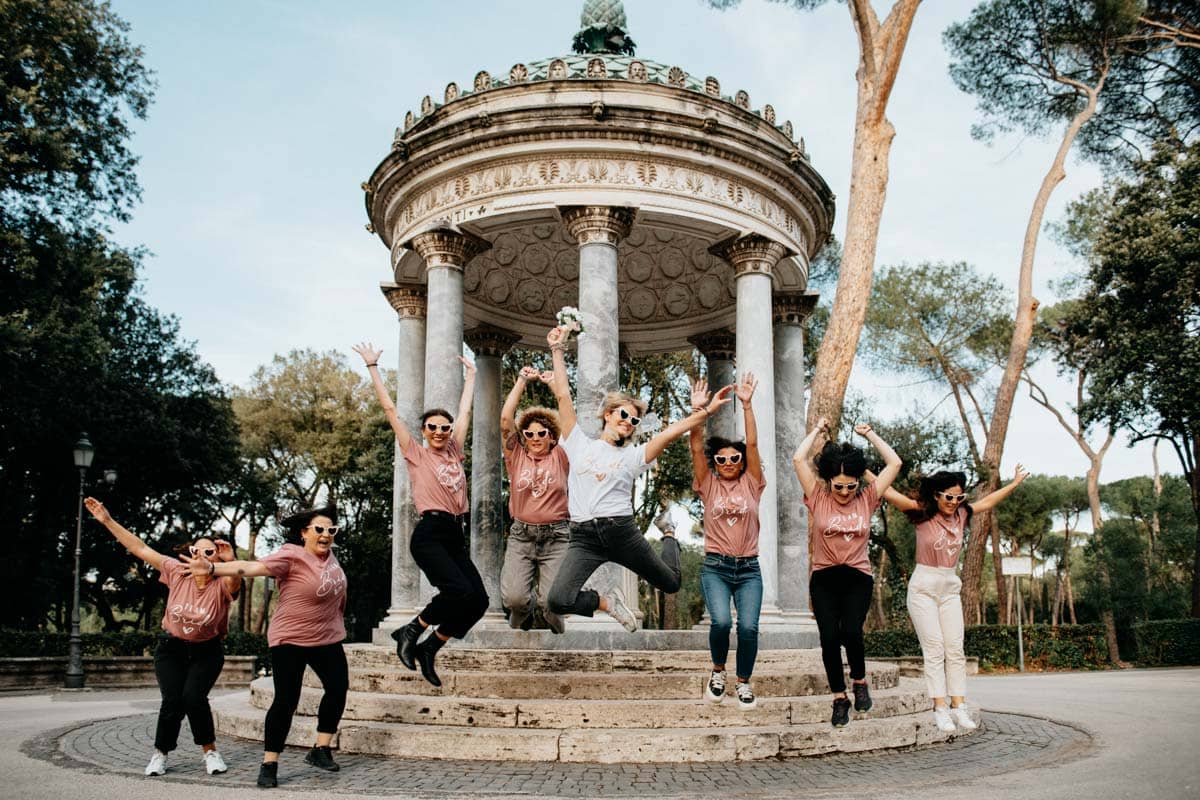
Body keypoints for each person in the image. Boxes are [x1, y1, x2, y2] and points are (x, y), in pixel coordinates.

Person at [544, 325, 732, 629]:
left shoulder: (633, 456)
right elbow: (564, 395)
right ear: (607, 414)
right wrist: (557, 349)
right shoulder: (577, 443)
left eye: (634, 420)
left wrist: (705, 411)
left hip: (621, 532)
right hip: (584, 538)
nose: (629, 422)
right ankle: (608, 603)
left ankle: (669, 533)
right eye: (623, 415)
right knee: (557, 601)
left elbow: (672, 432)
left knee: (670, 583)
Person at [183, 506, 348, 789]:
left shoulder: (331, 558)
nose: (325, 535)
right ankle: (269, 763)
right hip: (290, 639)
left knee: (337, 688)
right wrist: (212, 568)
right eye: (319, 529)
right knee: (286, 701)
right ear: (304, 533)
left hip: (327, 637)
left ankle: (321, 749)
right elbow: (251, 568)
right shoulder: (291, 555)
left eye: (331, 530)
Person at [353, 343, 486, 687]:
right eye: (433, 428)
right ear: (424, 431)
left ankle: (430, 648)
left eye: (444, 428)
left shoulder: (455, 451)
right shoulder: (416, 453)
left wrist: (472, 376)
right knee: (456, 591)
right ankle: (412, 629)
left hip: (455, 533)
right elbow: (390, 410)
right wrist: (372, 368)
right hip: (429, 533)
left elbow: (465, 413)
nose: (440, 432)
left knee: (478, 600)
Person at [83, 497, 238, 777]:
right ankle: (160, 754)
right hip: (172, 649)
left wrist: (230, 562)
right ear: (190, 553)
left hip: (207, 650)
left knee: (193, 698)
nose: (202, 555)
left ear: (216, 557)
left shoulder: (222, 581)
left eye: (210, 551)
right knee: (172, 702)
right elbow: (139, 547)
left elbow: (235, 581)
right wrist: (107, 520)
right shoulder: (176, 572)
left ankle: (211, 752)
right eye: (197, 549)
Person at [883, 465, 1029, 733]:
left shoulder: (962, 514)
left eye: (958, 497)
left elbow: (987, 501)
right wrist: (865, 472)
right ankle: (940, 708)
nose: (953, 502)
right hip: (924, 587)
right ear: (937, 495)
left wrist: (1014, 483)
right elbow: (890, 493)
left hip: (950, 586)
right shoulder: (921, 514)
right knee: (935, 648)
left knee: (955, 648)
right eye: (948, 497)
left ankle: (958, 707)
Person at [793, 419, 902, 727]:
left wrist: (870, 434)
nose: (843, 491)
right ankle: (839, 698)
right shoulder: (818, 496)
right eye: (838, 486)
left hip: (857, 577)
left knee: (851, 631)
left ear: (858, 482)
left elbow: (895, 463)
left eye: (850, 486)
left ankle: (860, 681)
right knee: (829, 637)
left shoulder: (867, 498)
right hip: (825, 577)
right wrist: (816, 431)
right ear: (829, 481)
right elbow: (798, 459)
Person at [688, 372, 765, 711]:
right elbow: (694, 445)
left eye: (735, 459)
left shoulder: (752, 482)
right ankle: (718, 672)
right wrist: (699, 412)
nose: (730, 462)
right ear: (715, 464)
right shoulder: (708, 485)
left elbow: (752, 445)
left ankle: (744, 682)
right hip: (715, 567)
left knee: (748, 627)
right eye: (722, 459)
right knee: (721, 621)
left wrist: (746, 406)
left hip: (749, 568)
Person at [499, 366, 571, 633]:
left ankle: (551, 612)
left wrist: (554, 385)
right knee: (514, 599)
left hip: (557, 537)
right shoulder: (516, 456)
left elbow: (568, 415)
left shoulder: (561, 455)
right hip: (522, 535)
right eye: (529, 434)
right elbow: (506, 421)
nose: (536, 438)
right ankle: (524, 612)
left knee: (553, 600)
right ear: (524, 438)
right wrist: (521, 381)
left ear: (552, 436)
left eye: (542, 433)